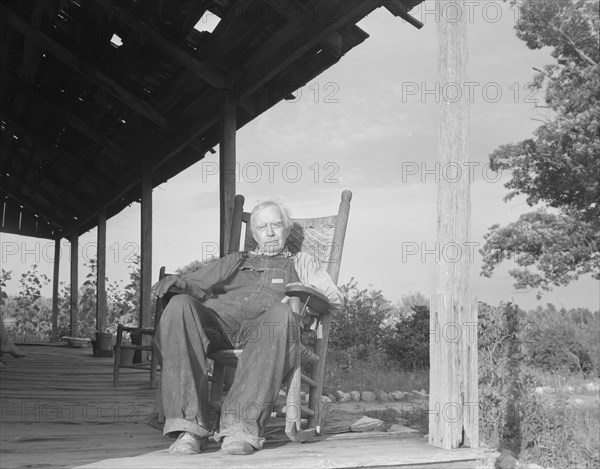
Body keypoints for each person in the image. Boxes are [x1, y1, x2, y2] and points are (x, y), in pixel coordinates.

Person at [152, 200, 343, 456]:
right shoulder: (235, 261)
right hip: (219, 328)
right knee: (178, 305)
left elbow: (334, 298)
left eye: (277, 225)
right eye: (263, 227)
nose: (270, 232)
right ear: (254, 235)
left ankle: (240, 427)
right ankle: (189, 428)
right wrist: (180, 283)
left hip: (267, 335)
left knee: (282, 314)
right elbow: (192, 283)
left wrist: (300, 295)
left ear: (287, 230)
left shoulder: (301, 261)